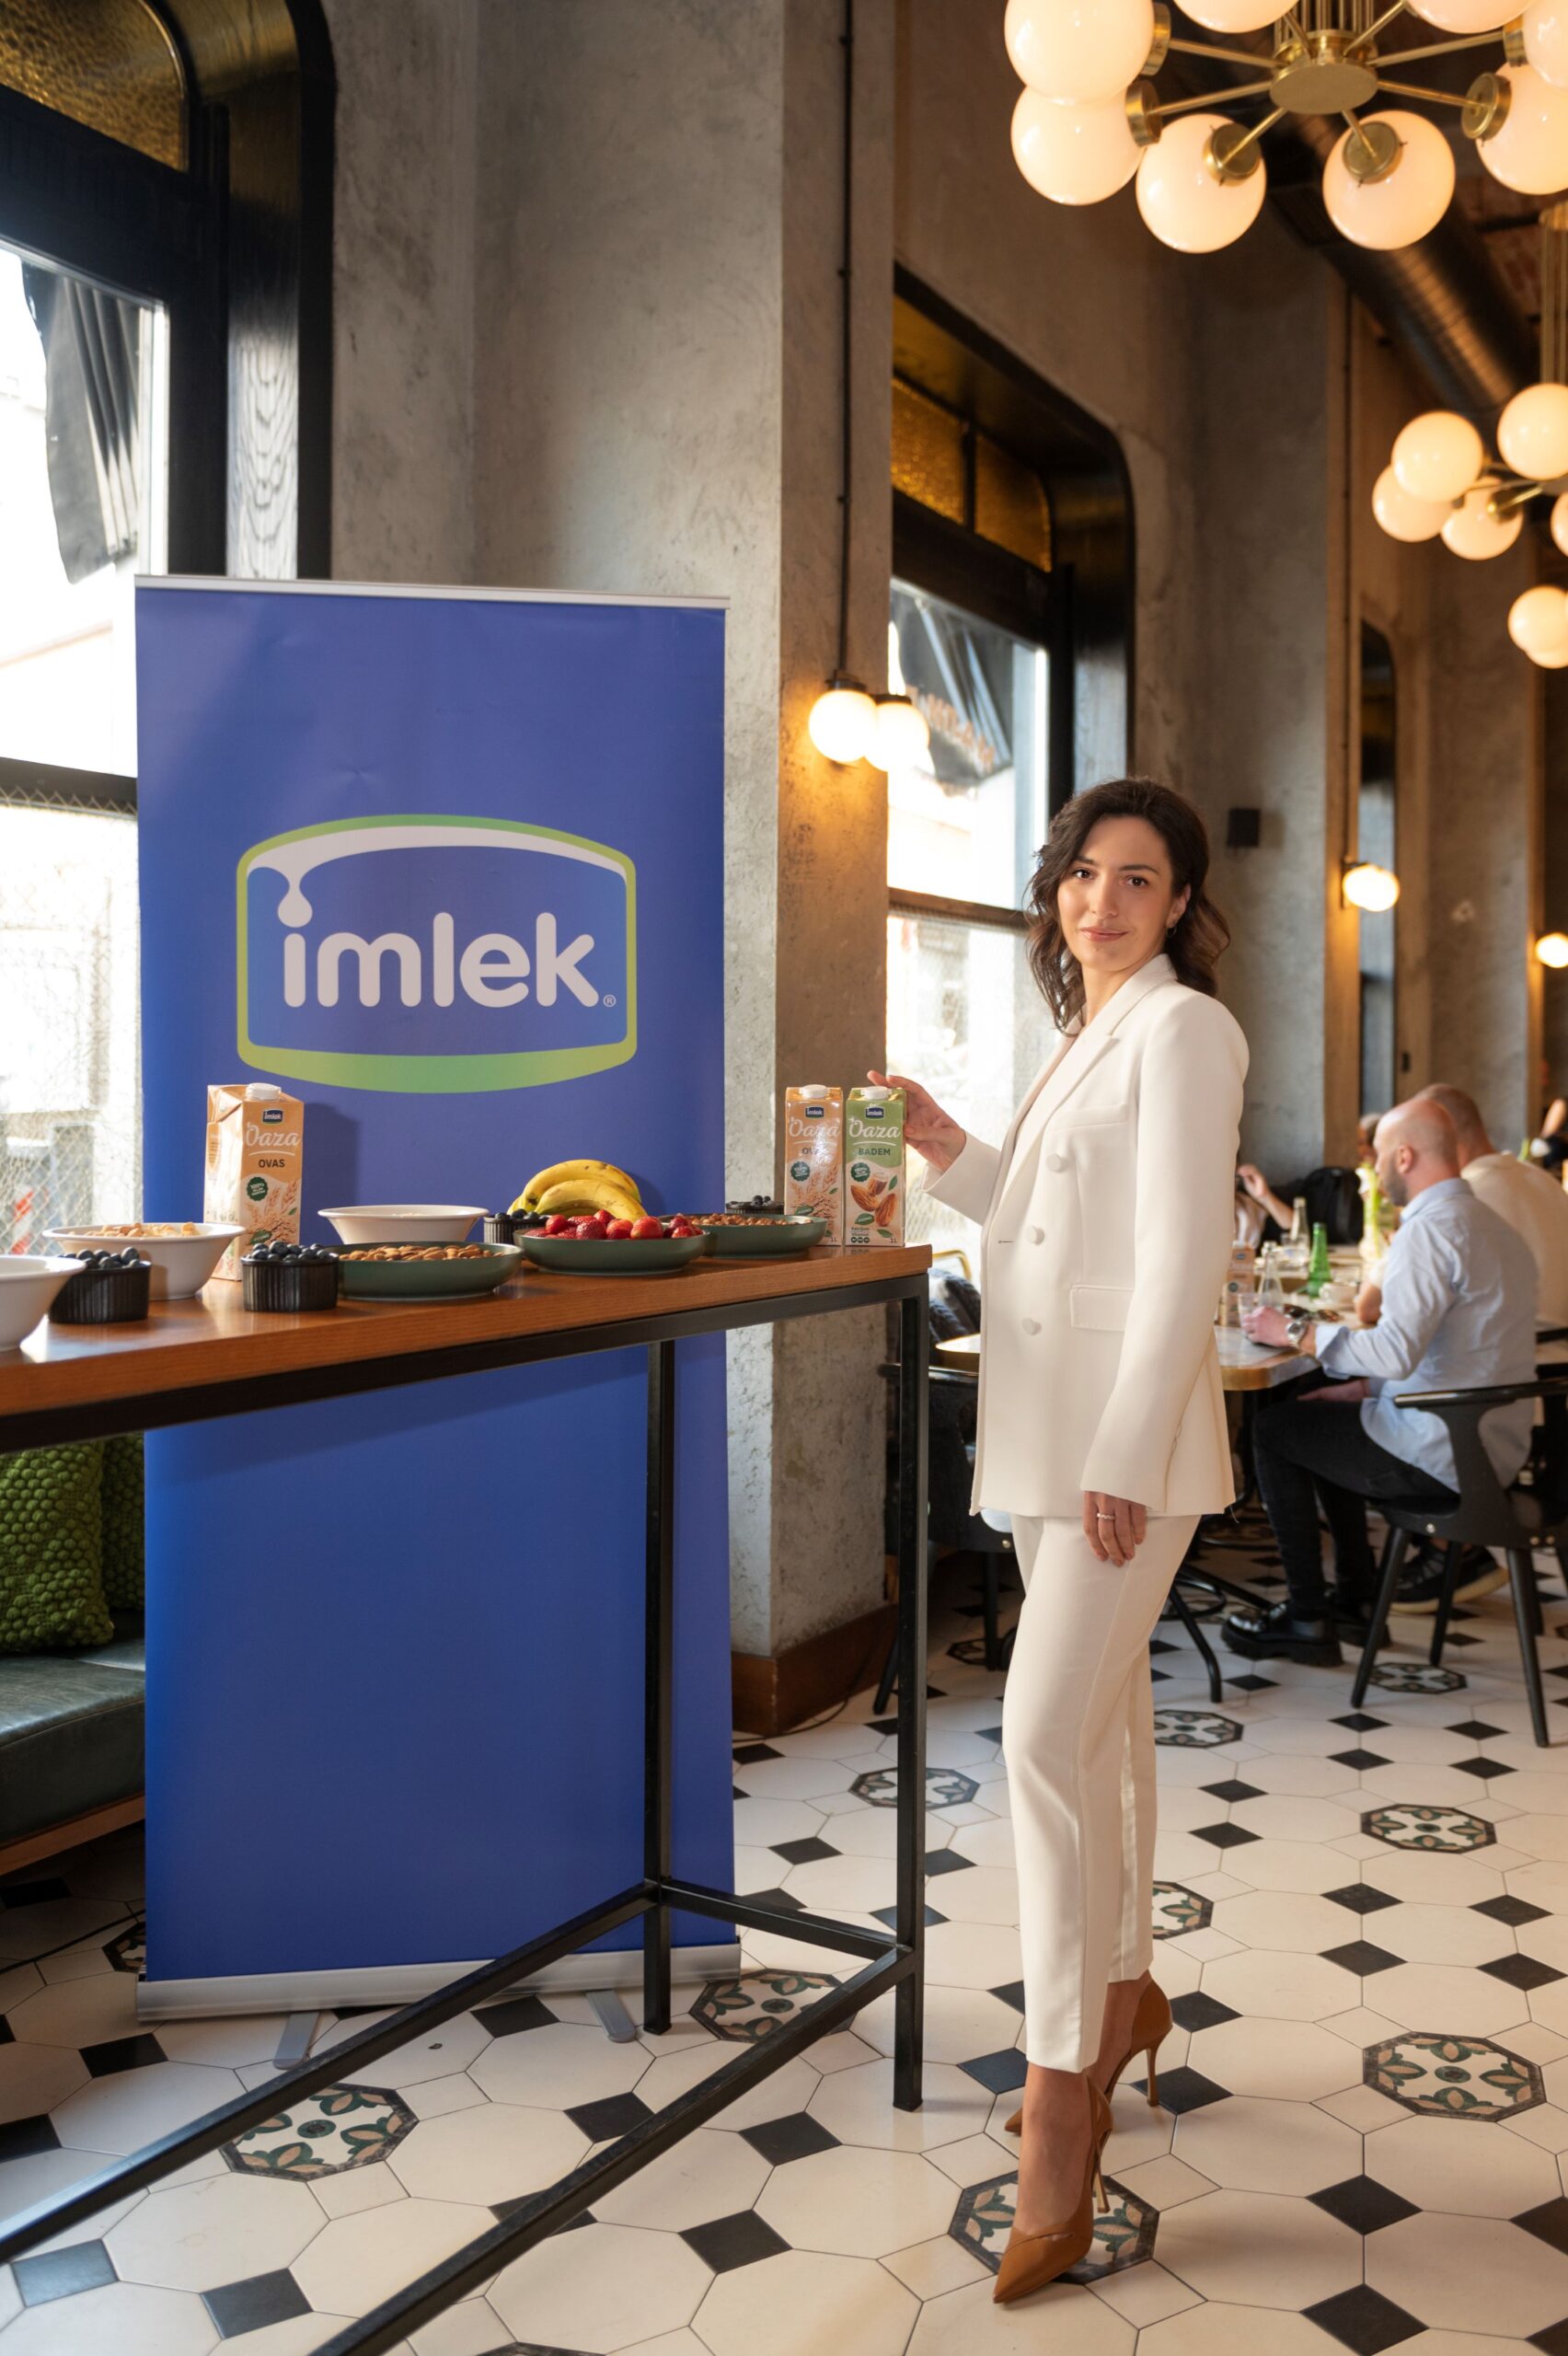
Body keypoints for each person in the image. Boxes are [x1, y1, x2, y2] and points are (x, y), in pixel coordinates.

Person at [872, 777, 1244, 2304]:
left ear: (1179, 903)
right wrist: (945, 1142)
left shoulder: (1183, 1029)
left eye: (1137, 879)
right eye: (1083, 874)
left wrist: (1123, 1449)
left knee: (1036, 1739)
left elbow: (1183, 1256)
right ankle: (1124, 1988)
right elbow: (1032, 1221)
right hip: (1042, 1439)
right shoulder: (1086, 1033)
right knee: (1098, 1733)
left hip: (1115, 1452)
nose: (1102, 901)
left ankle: (1059, 2099)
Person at [1224, 1096, 1538, 1664]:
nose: (1373, 1167)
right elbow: (1461, 1352)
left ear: (1405, 1156)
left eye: (1380, 1156)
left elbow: (1393, 1352)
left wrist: (1292, 1329)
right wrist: (1364, 1389)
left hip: (1440, 1453)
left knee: (1271, 1431)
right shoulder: (1496, 1227)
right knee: (1321, 1410)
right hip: (1489, 1448)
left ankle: (1306, 1618)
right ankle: (1356, 1600)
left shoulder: (1430, 1231)